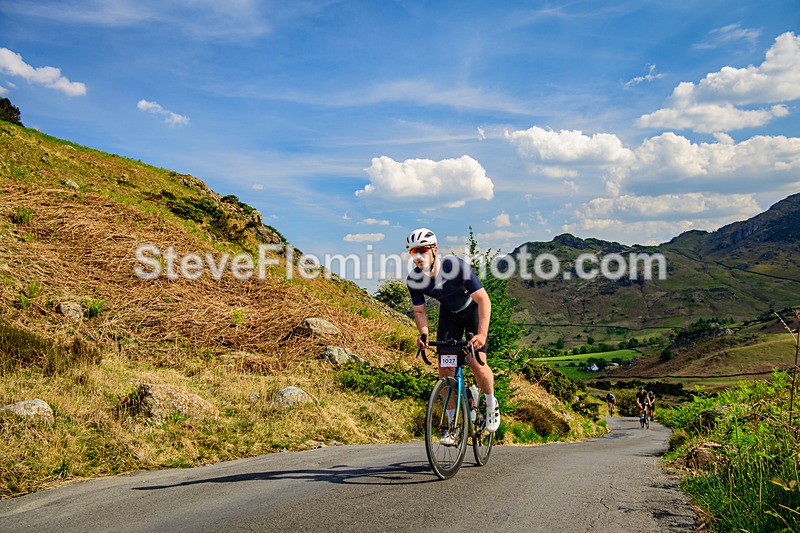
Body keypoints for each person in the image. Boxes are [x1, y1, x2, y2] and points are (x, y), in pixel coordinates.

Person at [404, 228, 500, 436]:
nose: (418, 256)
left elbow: (483, 300)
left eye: (422, 250)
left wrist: (482, 334)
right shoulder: (414, 279)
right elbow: (419, 311)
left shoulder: (456, 268)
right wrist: (424, 333)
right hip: (449, 315)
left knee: (476, 363)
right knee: (444, 372)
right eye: (413, 251)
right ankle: (451, 425)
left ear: (434, 249)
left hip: (472, 311)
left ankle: (491, 402)